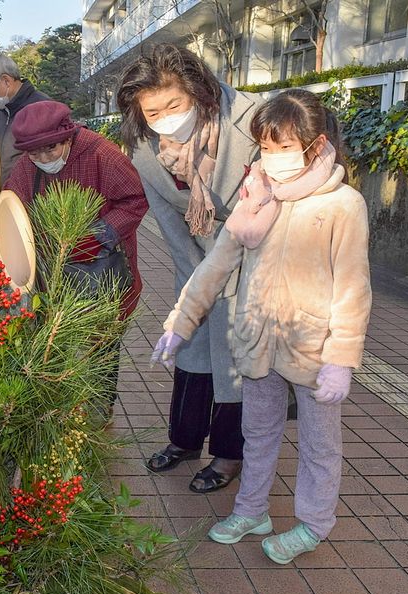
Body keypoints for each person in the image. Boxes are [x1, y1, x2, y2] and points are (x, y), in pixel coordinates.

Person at [153, 89, 371, 564]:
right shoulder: (256, 198)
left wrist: (341, 360)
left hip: (313, 350)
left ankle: (313, 523)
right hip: (257, 344)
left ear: (316, 145)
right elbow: (214, 266)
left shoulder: (342, 204)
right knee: (257, 432)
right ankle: (252, 509)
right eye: (266, 149)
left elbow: (353, 288)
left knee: (319, 444)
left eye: (284, 148)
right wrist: (179, 323)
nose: (273, 160)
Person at [116, 43, 264, 493]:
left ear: (199, 91)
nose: (165, 119)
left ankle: (229, 454)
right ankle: (184, 440)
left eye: (174, 105)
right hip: (198, 257)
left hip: (252, 257)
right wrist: (192, 286)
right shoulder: (144, 145)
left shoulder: (252, 122)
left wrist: (225, 276)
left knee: (234, 358)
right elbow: (168, 221)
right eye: (153, 112)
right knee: (193, 344)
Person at [4, 100, 149, 418]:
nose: (43, 159)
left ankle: (100, 408)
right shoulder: (30, 165)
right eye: (34, 153)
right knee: (52, 335)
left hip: (101, 269)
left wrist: (97, 234)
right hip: (52, 272)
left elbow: (135, 200)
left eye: (51, 149)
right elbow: (11, 203)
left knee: (102, 341)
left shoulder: (102, 153)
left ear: (67, 137)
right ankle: (57, 407)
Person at [0, 53, 50, 182]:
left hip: (33, 194)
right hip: (6, 193)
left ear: (6, 81)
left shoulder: (43, 107)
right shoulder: (0, 109)